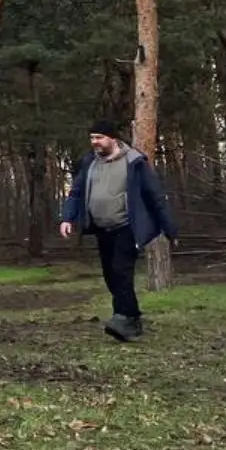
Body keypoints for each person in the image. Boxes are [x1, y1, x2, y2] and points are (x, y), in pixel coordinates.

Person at [58, 119, 178, 342]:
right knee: (110, 275)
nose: (95, 142)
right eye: (92, 138)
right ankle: (131, 317)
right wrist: (67, 218)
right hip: (102, 228)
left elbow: (155, 196)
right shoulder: (89, 163)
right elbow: (75, 192)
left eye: (99, 138)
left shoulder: (134, 162)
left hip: (126, 227)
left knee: (121, 271)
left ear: (112, 138)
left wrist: (170, 229)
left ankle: (122, 318)